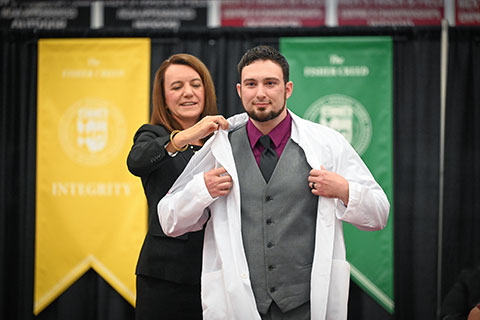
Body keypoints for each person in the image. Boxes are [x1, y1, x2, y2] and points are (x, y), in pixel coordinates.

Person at [158, 45, 390, 319]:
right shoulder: (220, 147)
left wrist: (344, 190)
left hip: (305, 306)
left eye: (270, 83)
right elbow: (169, 220)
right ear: (239, 90)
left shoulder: (327, 144)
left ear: (288, 88)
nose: (260, 93)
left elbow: (379, 213)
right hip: (240, 305)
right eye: (251, 84)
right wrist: (201, 191)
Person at [126, 53, 230, 320]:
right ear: (163, 96)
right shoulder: (153, 135)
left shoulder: (224, 139)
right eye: (177, 87)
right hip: (166, 277)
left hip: (220, 272)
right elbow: (136, 161)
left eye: (196, 85)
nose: (188, 93)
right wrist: (185, 136)